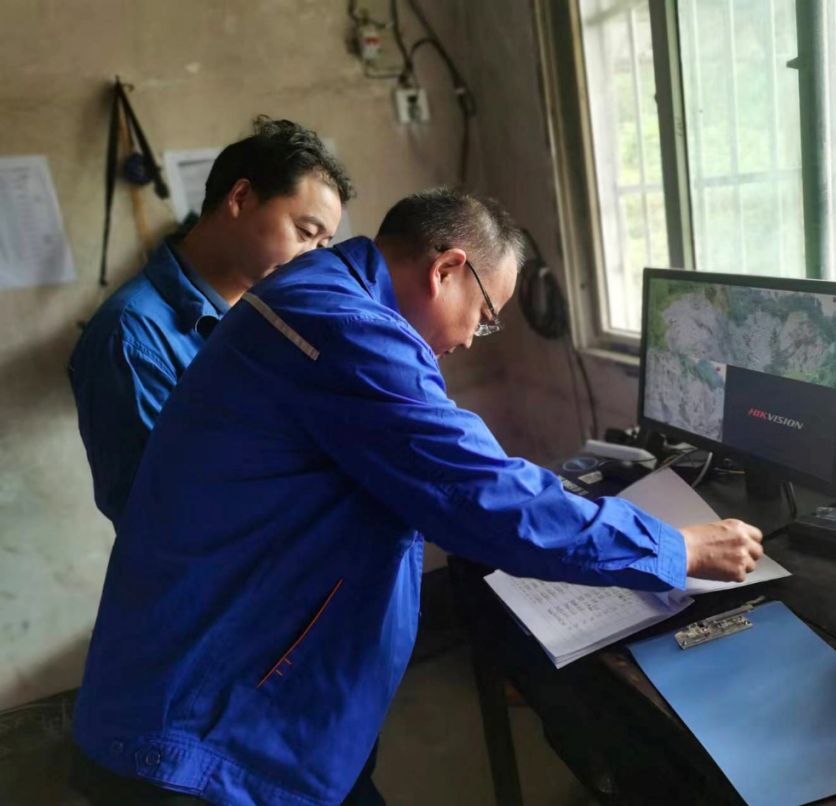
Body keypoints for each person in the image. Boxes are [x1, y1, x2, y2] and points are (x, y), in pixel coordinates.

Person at [71, 188, 764, 805]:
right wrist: (675, 547)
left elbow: (456, 471)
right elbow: (478, 494)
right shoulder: (345, 328)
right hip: (212, 724)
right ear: (447, 269)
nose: (470, 340)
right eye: (486, 315)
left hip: (250, 682)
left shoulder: (320, 290)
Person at [68, 116, 353, 528]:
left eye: (323, 245)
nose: (312, 260)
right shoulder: (131, 336)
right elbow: (158, 509)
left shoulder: (272, 315)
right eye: (305, 232)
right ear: (240, 197)